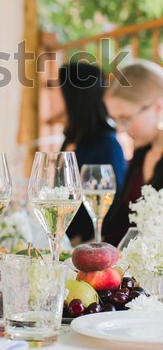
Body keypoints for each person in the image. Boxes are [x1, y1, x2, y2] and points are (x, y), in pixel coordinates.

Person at [57, 61, 127, 244]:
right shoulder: (75, 139)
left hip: (89, 244)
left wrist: (78, 239)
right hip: (65, 241)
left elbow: (112, 207)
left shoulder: (106, 146)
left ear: (73, 98)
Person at [102, 59, 163, 246]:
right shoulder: (141, 155)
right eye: (116, 121)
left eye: (126, 118)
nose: (120, 130)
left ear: (158, 108)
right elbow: (120, 226)